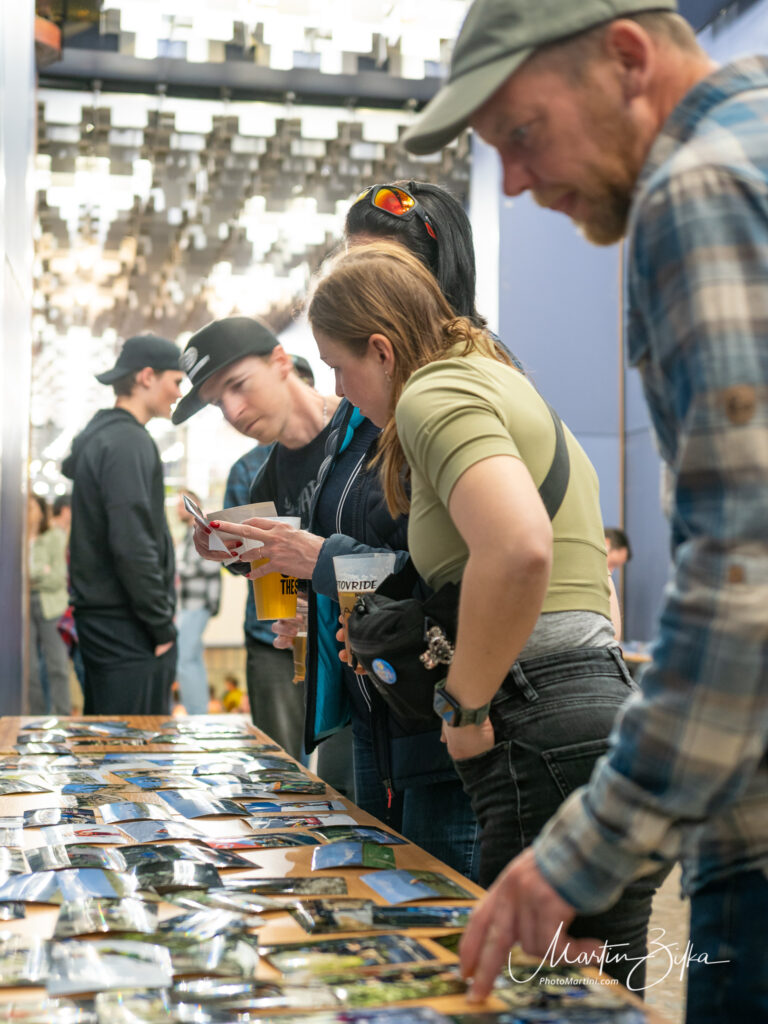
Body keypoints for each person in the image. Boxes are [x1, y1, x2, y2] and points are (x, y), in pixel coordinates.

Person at [403, 1, 768, 1018]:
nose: (515, 182)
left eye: (522, 132)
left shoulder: (700, 188)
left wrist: (583, 850)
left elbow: (745, 576)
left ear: (627, 58)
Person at [301, 238, 663, 985]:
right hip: (594, 701)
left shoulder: (432, 394)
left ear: (381, 349)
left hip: (536, 715)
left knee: (528, 986)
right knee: (596, 989)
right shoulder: (493, 378)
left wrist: (463, 709)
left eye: (338, 367)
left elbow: (520, 549)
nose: (339, 390)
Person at [204, 183, 498, 880]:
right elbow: (376, 556)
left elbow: (482, 563)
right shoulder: (363, 423)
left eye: (375, 266)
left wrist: (325, 562)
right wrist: (305, 587)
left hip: (440, 712)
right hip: (380, 707)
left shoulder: (460, 388)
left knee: (442, 906)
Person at [172, 316, 342, 763]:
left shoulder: (365, 434)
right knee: (293, 778)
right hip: (306, 649)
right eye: (217, 403)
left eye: (239, 385)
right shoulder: (263, 477)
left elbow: (414, 563)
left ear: (280, 362)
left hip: (396, 675)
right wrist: (233, 552)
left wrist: (320, 563)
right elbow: (282, 579)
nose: (232, 412)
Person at [62, 334, 182, 714]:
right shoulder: (128, 442)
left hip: (106, 622)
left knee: (109, 738)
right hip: (128, 627)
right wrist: (161, 627)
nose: (179, 393)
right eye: (176, 381)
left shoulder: (104, 438)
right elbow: (132, 543)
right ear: (146, 376)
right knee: (134, 744)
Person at [175, 489, 222, 715]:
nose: (178, 509)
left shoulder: (205, 530)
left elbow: (210, 563)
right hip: (187, 605)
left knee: (185, 659)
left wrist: (178, 568)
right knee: (191, 658)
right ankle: (197, 712)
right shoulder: (187, 534)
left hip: (198, 603)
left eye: (182, 504)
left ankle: (196, 714)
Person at [27, 494, 71, 715]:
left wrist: (32, 576)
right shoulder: (17, 540)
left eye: (31, 507)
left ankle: (63, 716)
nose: (27, 513)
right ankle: (34, 719)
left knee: (57, 666)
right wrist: (40, 572)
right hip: (25, 607)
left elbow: (57, 578)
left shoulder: (54, 537)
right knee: (30, 669)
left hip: (51, 606)